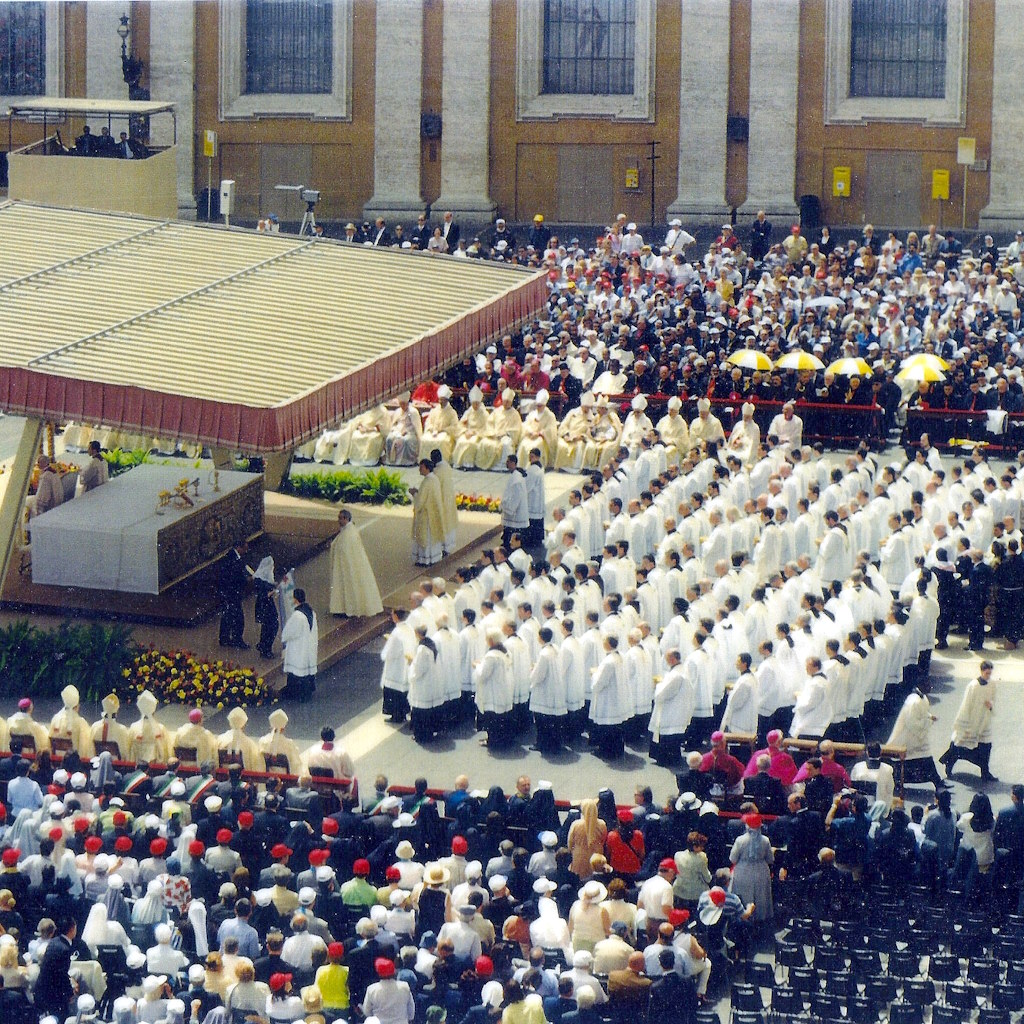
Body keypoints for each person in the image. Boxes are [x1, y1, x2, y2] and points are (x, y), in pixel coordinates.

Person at [940, 660, 998, 781]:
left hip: (984, 720)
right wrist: (962, 724)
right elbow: (965, 705)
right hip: (972, 721)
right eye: (986, 673)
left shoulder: (992, 684)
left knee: (986, 746)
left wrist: (991, 706)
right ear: (982, 671)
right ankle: (949, 763)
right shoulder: (973, 686)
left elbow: (993, 699)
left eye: (990, 673)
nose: (988, 676)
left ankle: (985, 772)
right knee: (959, 744)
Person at [329, 508, 383, 617]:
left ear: (346, 518)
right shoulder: (347, 531)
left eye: (340, 518)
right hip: (344, 567)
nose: (338, 521)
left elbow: (346, 551)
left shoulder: (350, 534)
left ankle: (348, 610)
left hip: (347, 568)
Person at [281, 588, 319, 701]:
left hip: (298, 648)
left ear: (295, 599)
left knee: (297, 671)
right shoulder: (311, 612)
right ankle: (307, 691)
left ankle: (297, 694)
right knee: (305, 671)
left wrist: (284, 637)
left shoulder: (298, 615)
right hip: (308, 647)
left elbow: (288, 633)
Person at [412, 459, 445, 567]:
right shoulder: (435, 479)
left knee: (425, 539)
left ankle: (425, 560)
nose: (419, 470)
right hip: (433, 514)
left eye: (421, 467)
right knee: (432, 539)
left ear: (427, 468)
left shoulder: (427, 482)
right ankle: (433, 558)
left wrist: (414, 494)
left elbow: (420, 501)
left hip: (426, 516)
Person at [218, 541, 249, 649]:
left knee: (228, 615)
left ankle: (224, 638)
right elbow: (233, 575)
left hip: (230, 592)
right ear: (238, 547)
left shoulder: (232, 557)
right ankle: (237, 639)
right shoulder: (232, 559)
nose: (245, 551)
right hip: (232, 592)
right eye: (244, 549)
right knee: (237, 617)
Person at [252, 556, 279, 660]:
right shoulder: (261, 581)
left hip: (265, 605)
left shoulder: (261, 578)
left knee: (267, 627)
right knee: (271, 627)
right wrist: (273, 592)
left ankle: (264, 646)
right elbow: (263, 595)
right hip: (266, 606)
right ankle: (266, 649)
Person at [501, 455, 529, 550]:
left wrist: (509, 509)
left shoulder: (517, 479)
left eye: (508, 462)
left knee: (512, 534)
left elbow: (516, 497)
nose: (506, 464)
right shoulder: (515, 475)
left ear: (513, 463)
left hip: (515, 513)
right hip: (514, 513)